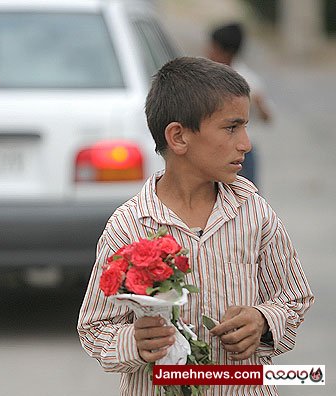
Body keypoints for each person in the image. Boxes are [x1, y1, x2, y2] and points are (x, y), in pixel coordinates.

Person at [77, 57, 313, 396]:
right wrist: (135, 341)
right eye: (232, 128)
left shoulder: (253, 213)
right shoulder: (129, 226)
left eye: (245, 127)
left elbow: (295, 297)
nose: (245, 143)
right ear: (179, 137)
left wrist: (263, 320)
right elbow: (95, 327)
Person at [206, 22, 273, 188]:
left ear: (224, 51)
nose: (208, 51)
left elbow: (268, 117)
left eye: (212, 47)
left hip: (243, 153)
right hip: (215, 148)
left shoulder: (248, 79)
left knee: (246, 196)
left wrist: (259, 104)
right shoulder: (206, 76)